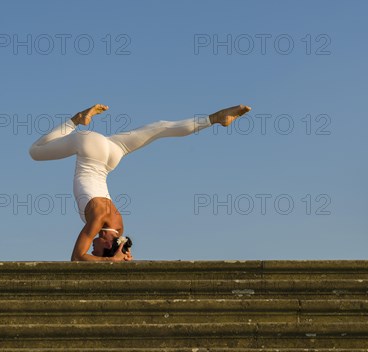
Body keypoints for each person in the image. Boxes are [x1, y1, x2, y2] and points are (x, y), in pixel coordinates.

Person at [29, 104, 251, 262]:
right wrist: (113, 261)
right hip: (90, 148)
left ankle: (215, 118)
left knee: (159, 128)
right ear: (107, 242)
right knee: (35, 152)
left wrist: (120, 255)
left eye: (93, 248)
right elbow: (77, 257)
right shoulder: (98, 218)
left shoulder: (118, 226)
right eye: (97, 248)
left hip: (110, 155)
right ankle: (77, 120)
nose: (93, 246)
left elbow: (114, 248)